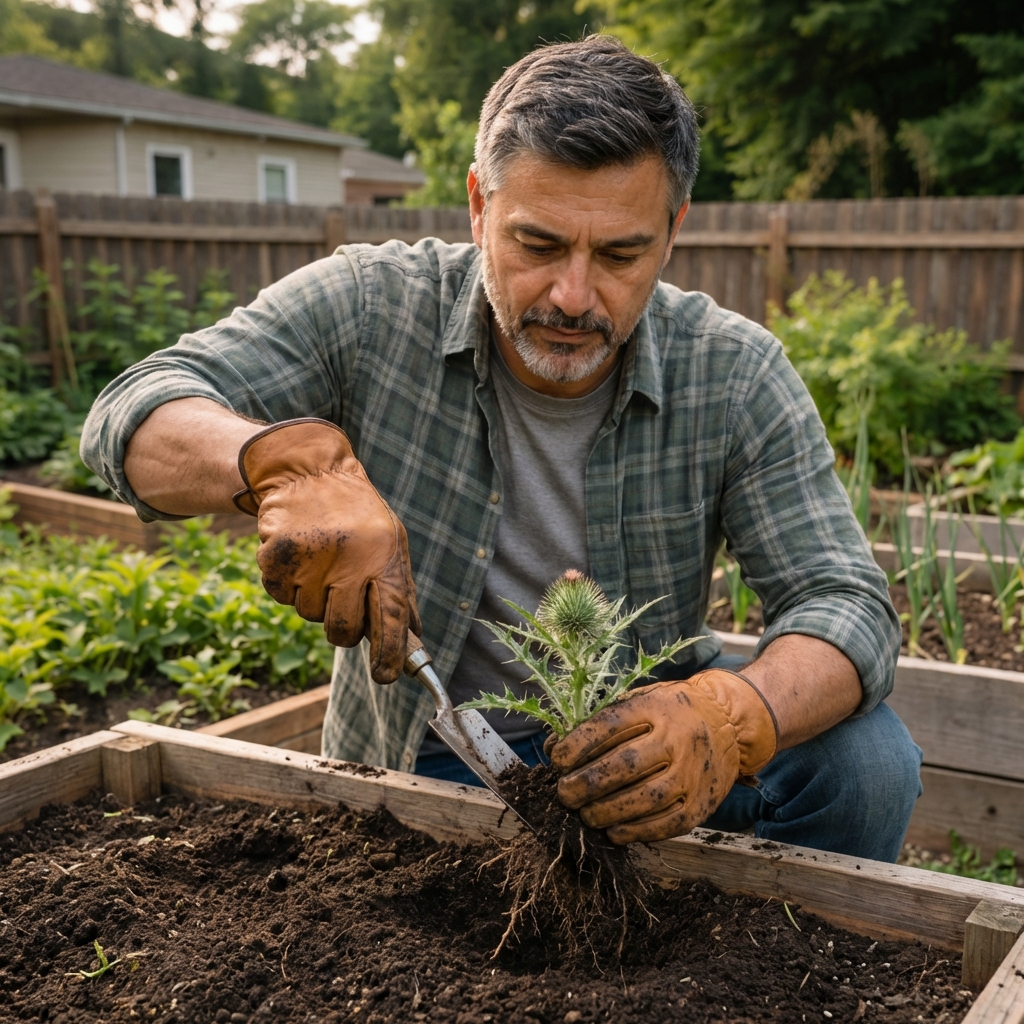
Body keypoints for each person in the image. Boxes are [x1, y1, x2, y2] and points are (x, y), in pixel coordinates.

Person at [82, 35, 921, 863]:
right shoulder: (373, 305)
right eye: (539, 244)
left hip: (651, 743)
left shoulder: (733, 371)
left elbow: (843, 600)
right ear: (479, 206)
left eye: (621, 254)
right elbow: (132, 411)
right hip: (435, 748)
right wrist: (280, 464)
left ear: (673, 232)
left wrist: (734, 717)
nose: (572, 294)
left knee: (868, 767)